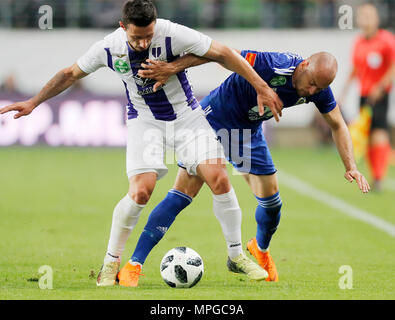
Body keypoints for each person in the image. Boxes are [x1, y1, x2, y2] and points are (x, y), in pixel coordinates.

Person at [0, 0, 284, 287]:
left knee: (219, 178)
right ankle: (111, 262)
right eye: (137, 37)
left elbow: (222, 52)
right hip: (144, 122)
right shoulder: (109, 47)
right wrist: (34, 102)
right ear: (123, 27)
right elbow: (70, 74)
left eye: (149, 35)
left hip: (187, 117)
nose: (144, 42)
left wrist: (260, 86)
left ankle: (235, 256)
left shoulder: (171, 33)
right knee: (141, 192)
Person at [127, 50, 370, 285]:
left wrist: (351, 166)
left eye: (319, 88)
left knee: (273, 204)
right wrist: (172, 68)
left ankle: (260, 249)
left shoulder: (320, 90)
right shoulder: (272, 64)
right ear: (305, 65)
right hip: (213, 121)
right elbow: (220, 53)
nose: (312, 91)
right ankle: (134, 265)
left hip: (247, 133)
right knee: (183, 194)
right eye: (312, 83)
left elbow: (338, 124)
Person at [339, 3, 395, 191]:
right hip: (364, 94)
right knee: (369, 135)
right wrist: (344, 93)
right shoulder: (359, 43)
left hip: (380, 94)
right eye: (362, 15)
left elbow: (392, 66)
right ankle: (376, 175)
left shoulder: (387, 40)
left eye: (369, 15)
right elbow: (355, 69)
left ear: (377, 18)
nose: (365, 19)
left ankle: (379, 176)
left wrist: (381, 86)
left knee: (379, 132)